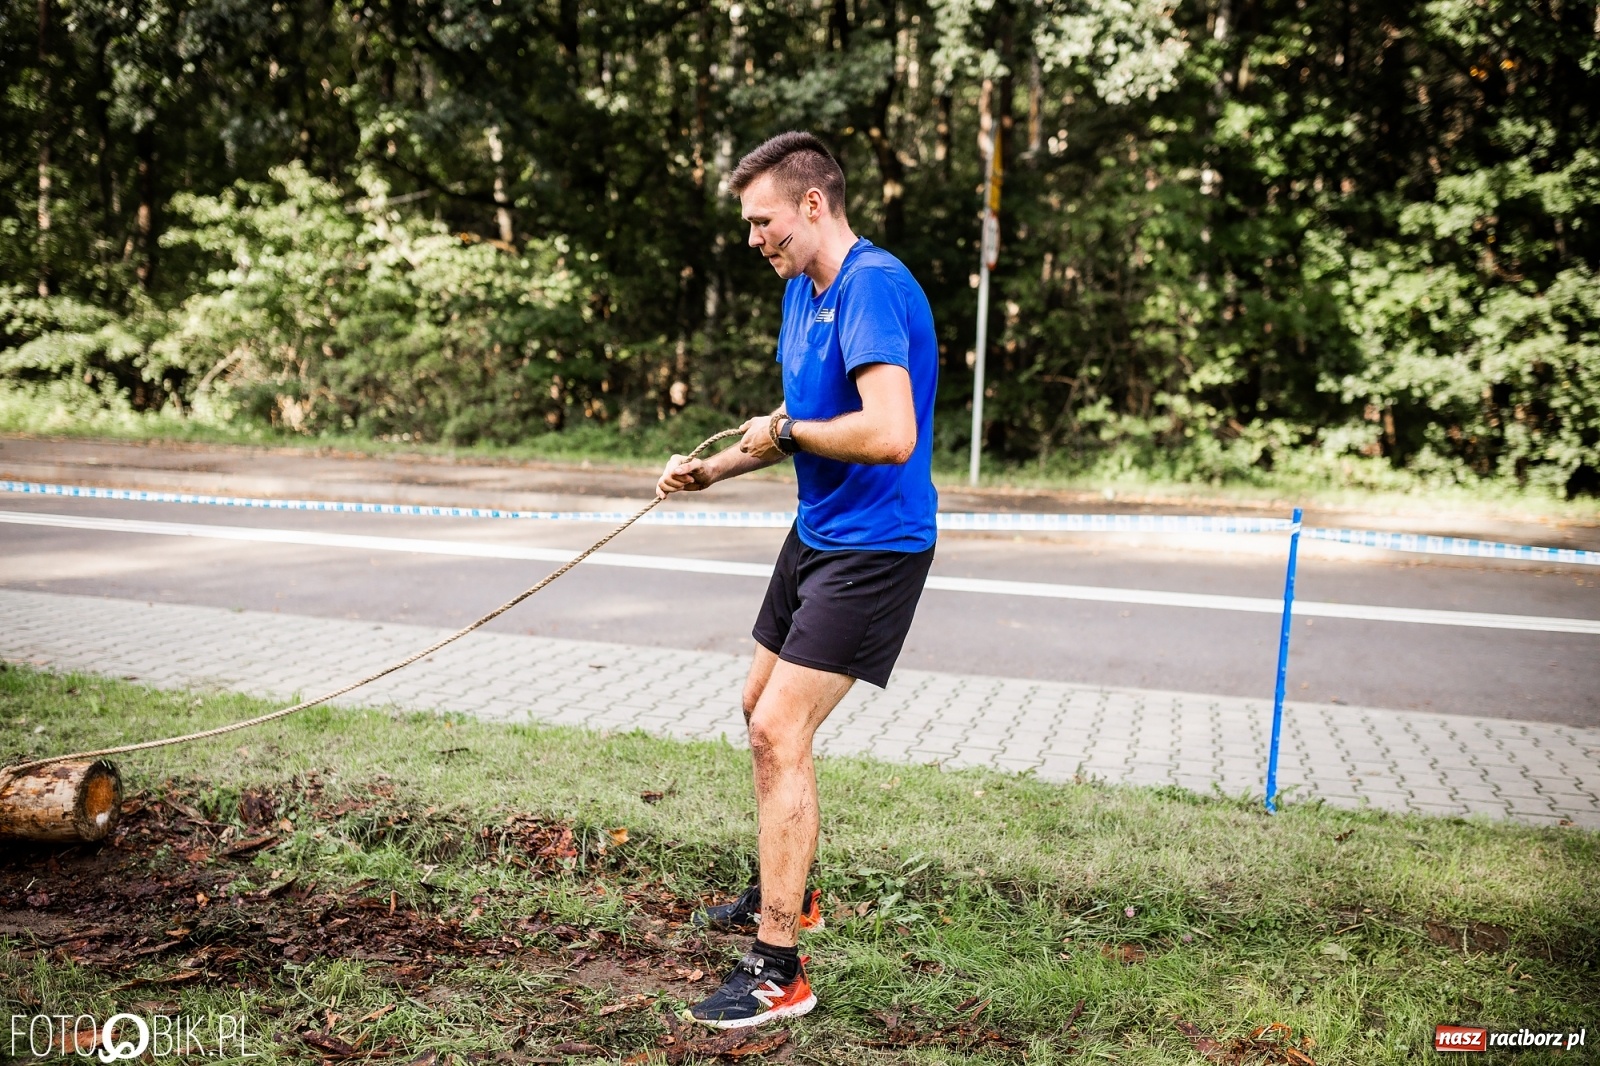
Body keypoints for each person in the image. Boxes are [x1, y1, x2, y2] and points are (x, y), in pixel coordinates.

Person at [655, 130, 940, 1029]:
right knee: (756, 706)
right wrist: (716, 470)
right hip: (817, 532)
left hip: (877, 545)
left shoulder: (872, 288)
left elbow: (888, 431)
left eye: (762, 220)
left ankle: (781, 968)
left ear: (813, 205)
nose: (753, 238)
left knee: (782, 733)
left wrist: (784, 438)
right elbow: (796, 420)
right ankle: (791, 893)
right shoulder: (805, 290)